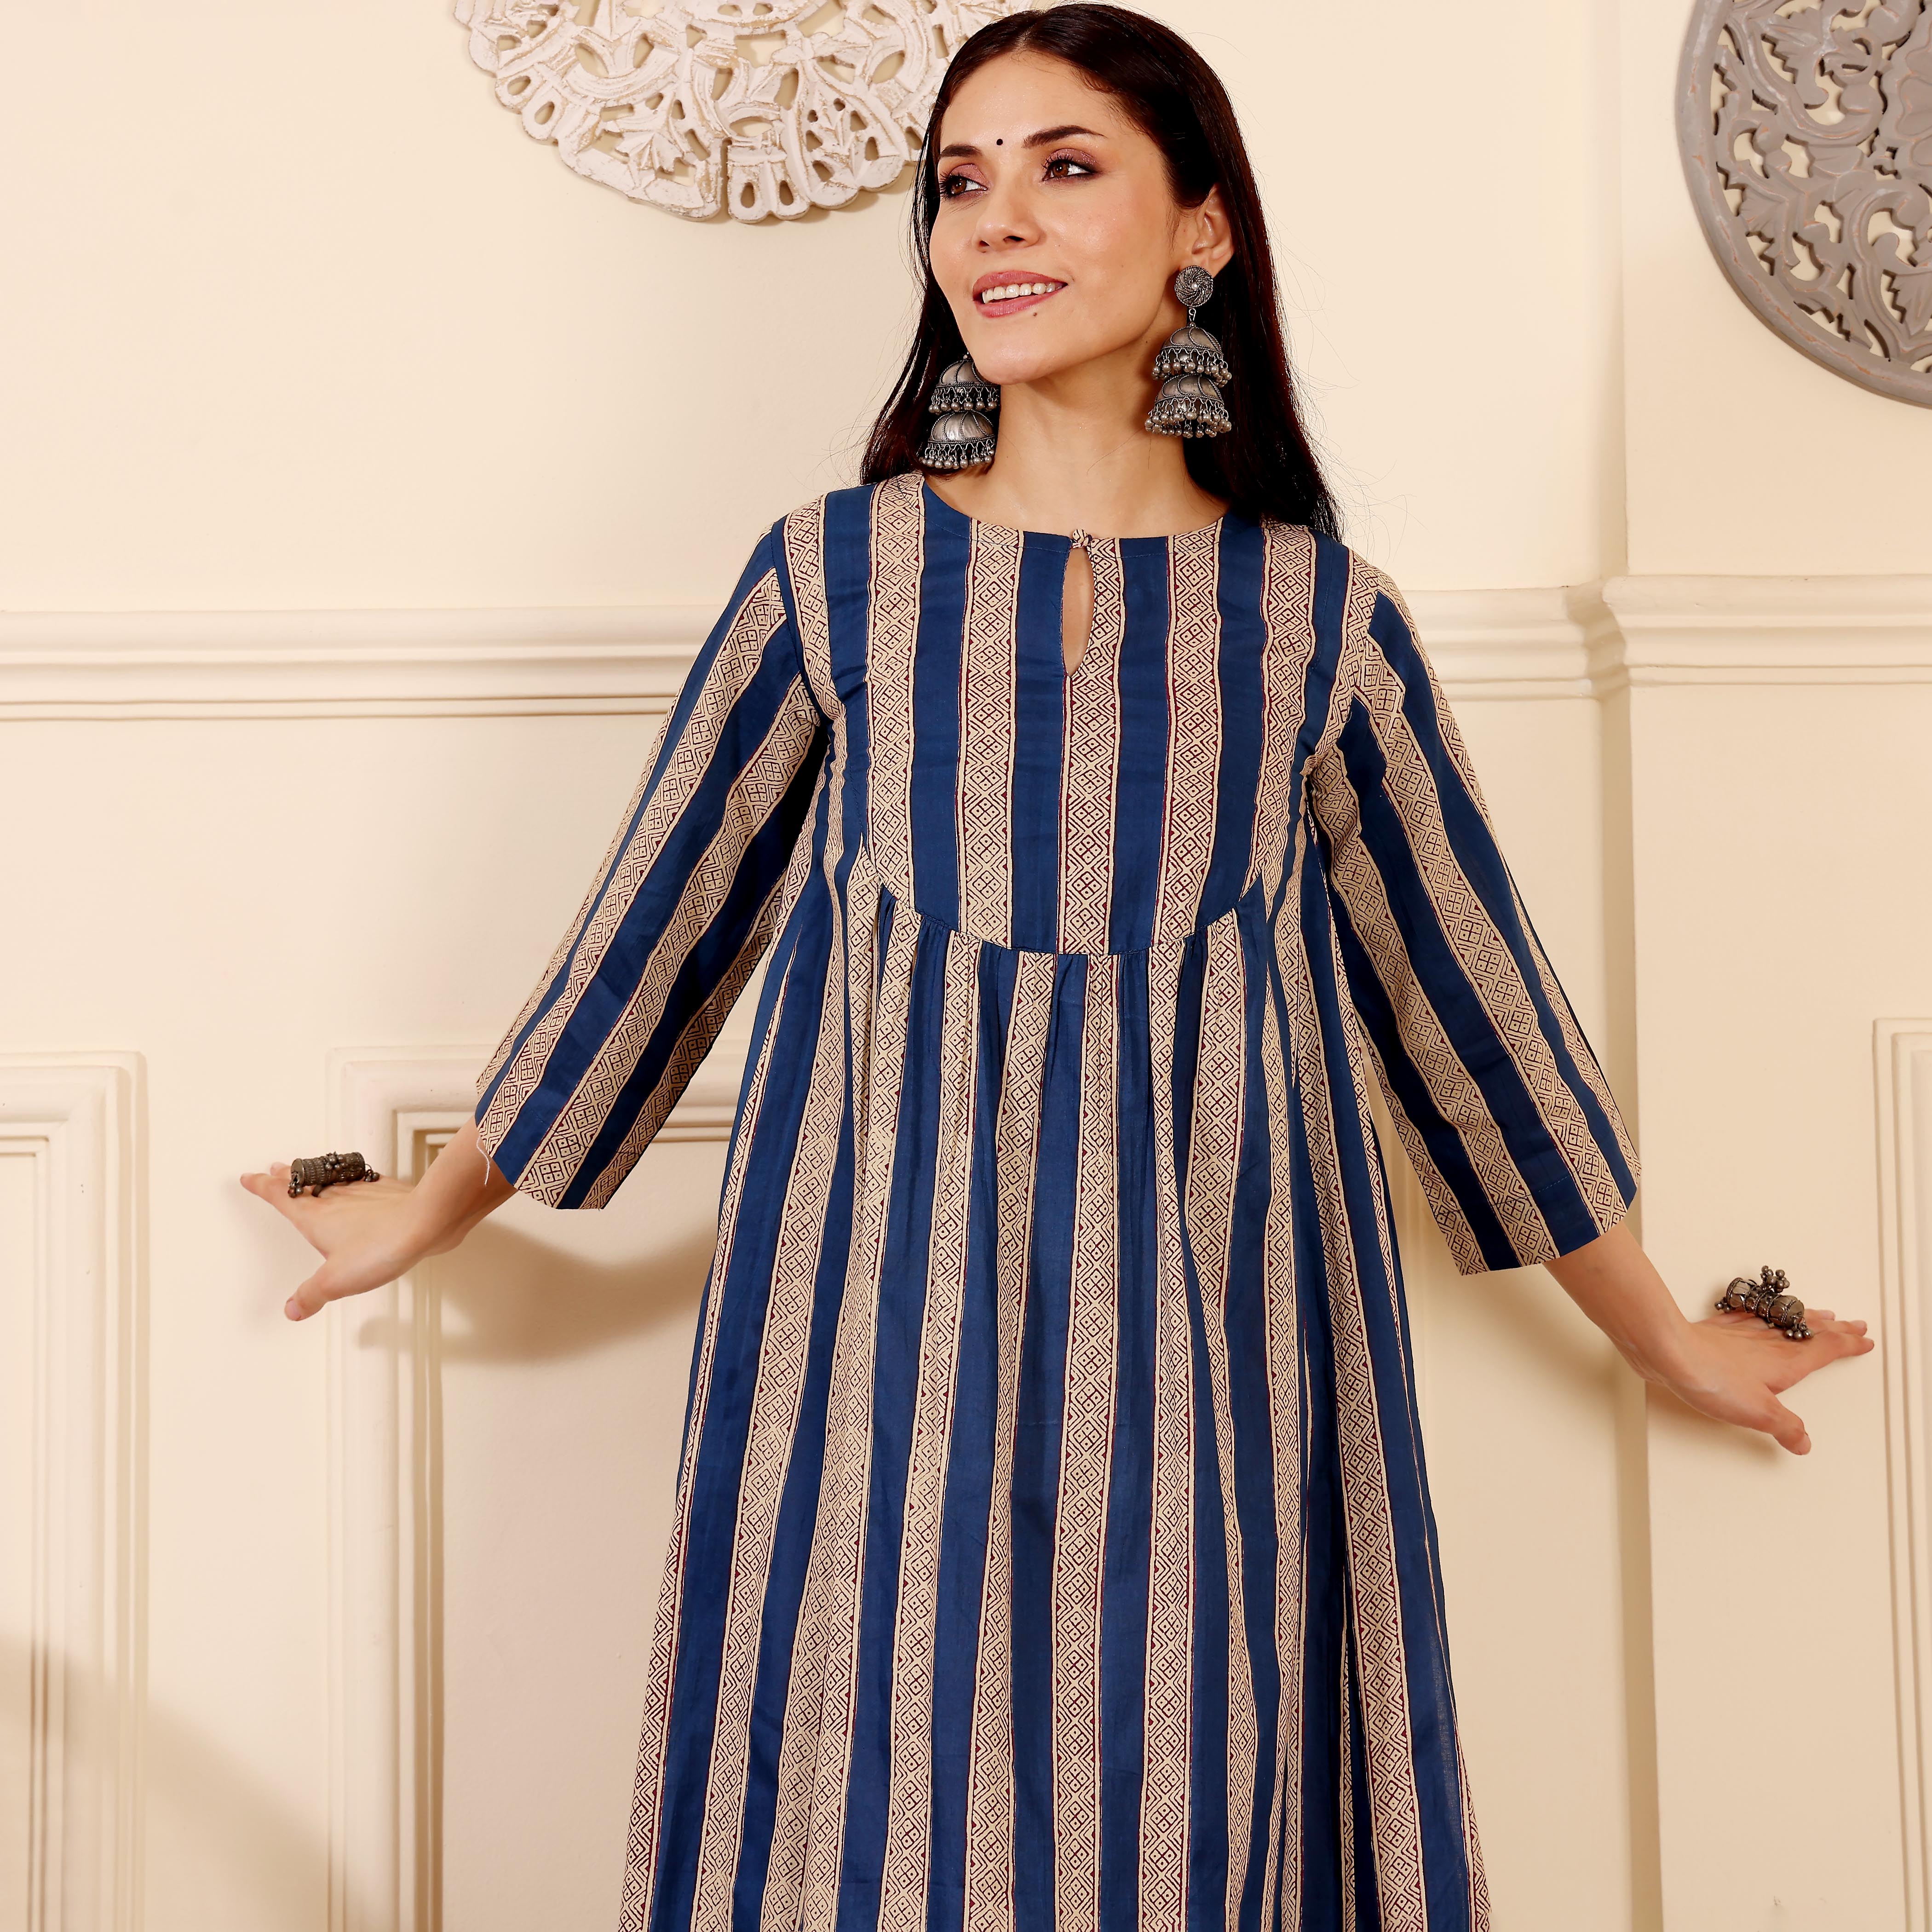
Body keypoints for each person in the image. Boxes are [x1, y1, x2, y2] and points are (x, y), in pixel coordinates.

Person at [243, 7, 1873, 1926]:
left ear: (1203, 228)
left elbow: (1473, 1013)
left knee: (1199, 1807)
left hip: (1224, 1358)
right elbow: (651, 935)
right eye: (959, 180)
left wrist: (1666, 1333)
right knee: (874, 1824)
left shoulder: (1316, 620)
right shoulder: (832, 580)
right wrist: (424, 1210)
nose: (992, 220)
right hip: (873, 1349)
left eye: (1064, 165)